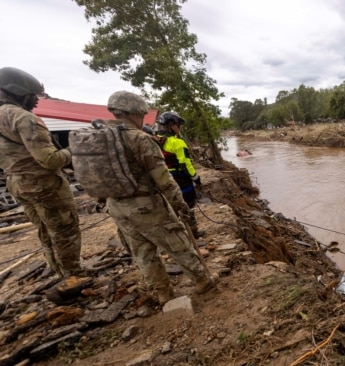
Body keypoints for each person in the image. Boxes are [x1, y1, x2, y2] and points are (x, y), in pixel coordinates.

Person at [100, 91, 214, 304]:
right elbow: (164, 179)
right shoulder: (140, 139)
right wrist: (180, 205)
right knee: (178, 243)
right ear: (135, 113)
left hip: (115, 206)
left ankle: (163, 293)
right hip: (146, 204)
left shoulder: (97, 137)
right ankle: (202, 280)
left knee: (143, 253)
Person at [0, 67, 83, 277]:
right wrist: (72, 149)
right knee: (64, 230)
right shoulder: (22, 117)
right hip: (43, 184)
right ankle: (73, 276)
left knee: (45, 231)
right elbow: (49, 160)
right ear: (18, 92)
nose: (36, 102)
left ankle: (59, 272)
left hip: (16, 183)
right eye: (32, 97)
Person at [155, 111, 204, 238]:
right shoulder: (177, 142)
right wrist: (196, 178)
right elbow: (185, 163)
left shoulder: (156, 140)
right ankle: (193, 233)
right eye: (178, 125)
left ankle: (175, 235)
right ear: (171, 125)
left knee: (171, 206)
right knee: (188, 204)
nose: (179, 127)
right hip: (181, 178)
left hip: (163, 178)